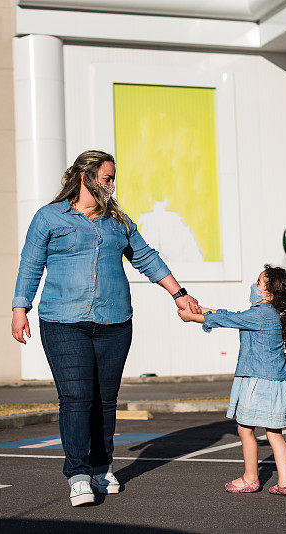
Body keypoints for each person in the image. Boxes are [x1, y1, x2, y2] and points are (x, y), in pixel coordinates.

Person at [11, 149, 200, 506]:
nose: (112, 186)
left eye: (113, 179)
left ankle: (102, 467)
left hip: (114, 322)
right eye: (107, 178)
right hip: (63, 322)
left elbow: (146, 257)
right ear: (85, 177)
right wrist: (20, 309)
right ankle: (79, 474)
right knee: (76, 399)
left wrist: (180, 294)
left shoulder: (119, 221)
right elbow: (30, 264)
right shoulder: (49, 218)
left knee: (105, 401)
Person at [177, 264, 286, 496]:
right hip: (277, 382)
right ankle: (285, 483)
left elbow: (229, 320)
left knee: (245, 429)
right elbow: (229, 316)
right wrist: (198, 308)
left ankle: (250, 478)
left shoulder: (258, 315)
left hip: (257, 381)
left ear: (268, 294)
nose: (253, 286)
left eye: (258, 283)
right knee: (275, 433)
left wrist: (193, 318)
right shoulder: (271, 315)